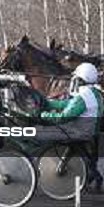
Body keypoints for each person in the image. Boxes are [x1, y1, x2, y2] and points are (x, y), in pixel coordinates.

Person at [38, 62, 103, 190]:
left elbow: (63, 117)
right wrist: (49, 103)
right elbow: (68, 104)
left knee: (39, 133)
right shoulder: (95, 93)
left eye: (76, 79)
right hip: (89, 131)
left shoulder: (83, 96)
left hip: (77, 132)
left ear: (81, 80)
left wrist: (43, 115)